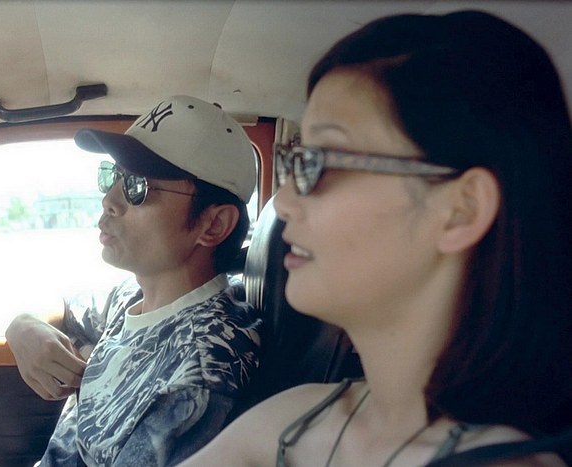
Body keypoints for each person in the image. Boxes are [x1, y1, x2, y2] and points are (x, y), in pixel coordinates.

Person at [180, 9, 571, 467]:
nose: (283, 204)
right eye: (296, 159)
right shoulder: (300, 415)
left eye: (322, 162)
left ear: (460, 210)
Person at [0, 95, 263, 467]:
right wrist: (23, 327)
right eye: (113, 176)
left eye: (138, 186)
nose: (109, 200)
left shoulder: (198, 378)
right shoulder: (136, 295)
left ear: (213, 225)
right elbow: (65, 304)